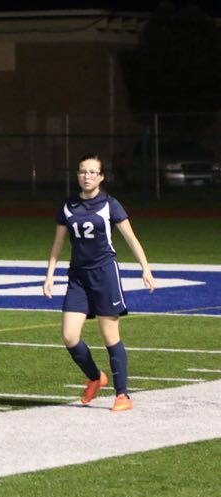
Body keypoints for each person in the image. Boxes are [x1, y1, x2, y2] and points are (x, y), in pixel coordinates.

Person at [42, 154, 155, 412]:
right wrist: (50, 274)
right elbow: (58, 243)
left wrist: (145, 269)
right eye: (83, 171)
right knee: (69, 336)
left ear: (102, 177)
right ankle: (95, 377)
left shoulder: (110, 205)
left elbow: (131, 239)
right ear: (77, 175)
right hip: (78, 277)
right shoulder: (68, 206)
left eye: (93, 172)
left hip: (105, 274)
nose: (87, 176)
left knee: (109, 335)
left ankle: (122, 394)